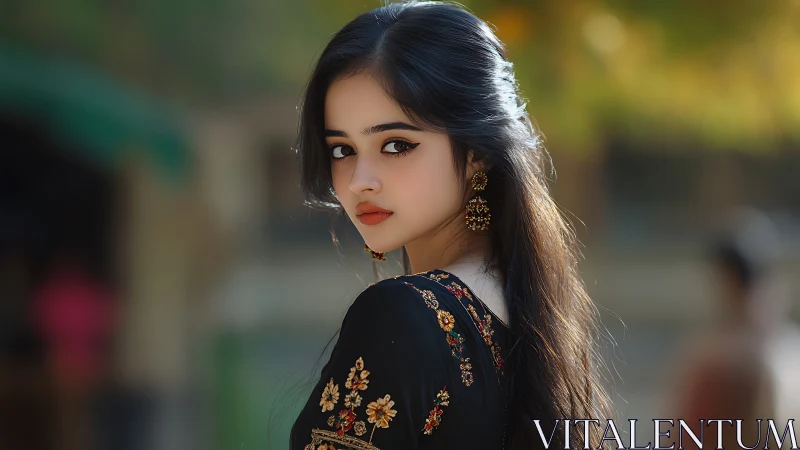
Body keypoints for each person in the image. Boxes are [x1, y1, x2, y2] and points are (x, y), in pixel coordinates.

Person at [289, 2, 613, 449]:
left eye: (396, 144)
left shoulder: (401, 316)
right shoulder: (531, 313)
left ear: (477, 150)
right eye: (342, 150)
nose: (360, 182)